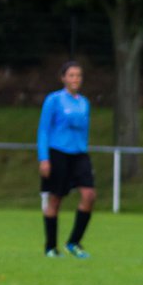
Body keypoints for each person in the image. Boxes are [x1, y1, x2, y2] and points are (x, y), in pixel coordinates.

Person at [37, 60, 95, 258]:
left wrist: (83, 149)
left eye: (78, 75)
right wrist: (44, 158)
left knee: (89, 195)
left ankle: (74, 242)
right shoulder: (54, 100)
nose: (75, 79)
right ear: (63, 78)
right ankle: (50, 247)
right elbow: (44, 130)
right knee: (55, 199)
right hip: (58, 153)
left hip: (79, 155)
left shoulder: (84, 103)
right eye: (71, 75)